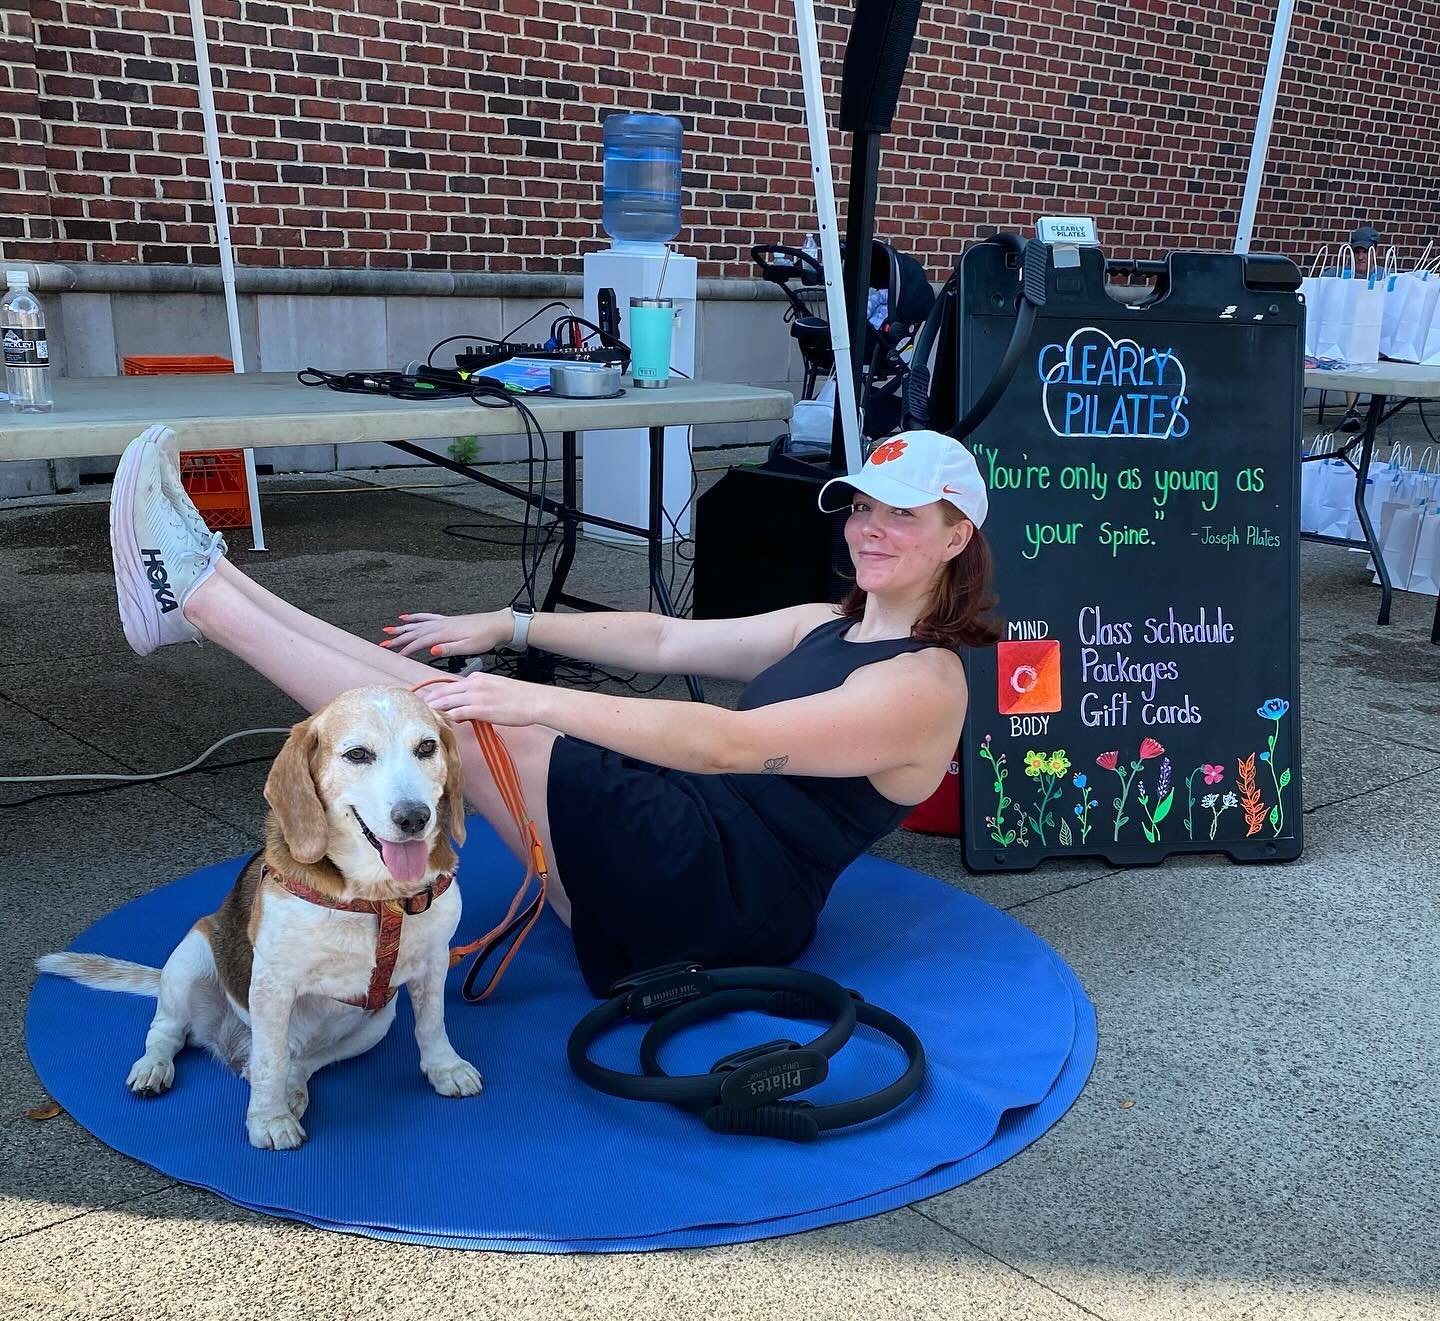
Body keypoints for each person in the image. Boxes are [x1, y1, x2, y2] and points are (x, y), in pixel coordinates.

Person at [109, 426, 1000, 996]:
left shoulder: (923, 684)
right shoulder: (825, 623)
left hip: (721, 905)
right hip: (687, 845)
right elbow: (663, 642)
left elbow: (731, 744)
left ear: (956, 537)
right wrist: (510, 622)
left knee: (486, 719)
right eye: (863, 506)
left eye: (904, 516)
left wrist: (533, 693)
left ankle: (200, 603)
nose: (870, 528)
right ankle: (211, 584)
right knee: (461, 706)